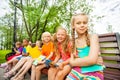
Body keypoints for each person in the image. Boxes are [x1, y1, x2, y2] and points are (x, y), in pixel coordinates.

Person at [66, 13, 104, 80]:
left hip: (94, 71)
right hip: (78, 70)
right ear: (73, 26)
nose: (82, 25)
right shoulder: (74, 41)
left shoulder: (93, 37)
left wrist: (74, 62)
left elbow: (91, 60)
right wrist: (89, 59)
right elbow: (72, 62)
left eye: (84, 22)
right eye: (78, 23)